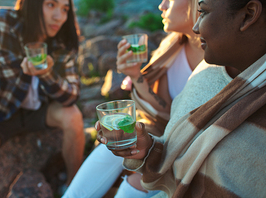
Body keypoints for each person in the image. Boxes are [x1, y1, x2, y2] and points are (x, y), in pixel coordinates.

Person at [96, 0, 266, 197]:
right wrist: (147, 149)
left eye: (203, 12)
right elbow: (178, 149)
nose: (196, 27)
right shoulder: (205, 70)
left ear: (248, 14)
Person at [63, 0, 204, 197]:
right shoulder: (172, 46)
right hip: (161, 135)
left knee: (136, 182)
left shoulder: (218, 58)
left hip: (191, 148)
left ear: (197, 4)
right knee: (111, 146)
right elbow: (162, 111)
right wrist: (135, 74)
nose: (161, 6)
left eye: (169, 0)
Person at [0, 0, 85, 196]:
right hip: (3, 112)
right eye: (51, 5)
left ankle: (76, 190)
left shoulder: (63, 37)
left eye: (65, 9)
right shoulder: (1, 22)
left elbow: (71, 96)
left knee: (73, 116)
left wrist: (46, 74)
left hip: (42, 111)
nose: (59, 16)